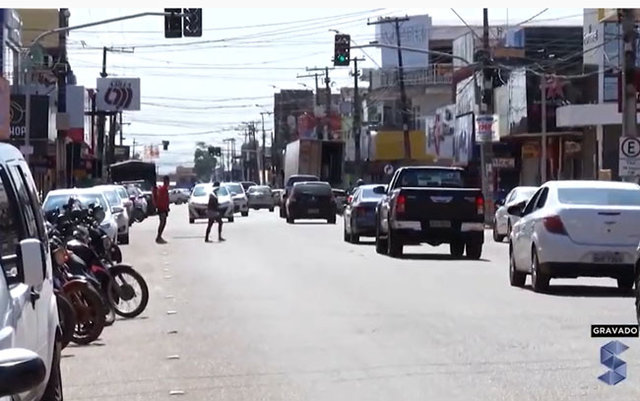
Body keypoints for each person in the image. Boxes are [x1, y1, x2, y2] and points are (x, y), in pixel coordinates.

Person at [153, 176, 171, 244]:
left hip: (164, 208)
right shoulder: (163, 189)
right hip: (162, 208)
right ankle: (158, 237)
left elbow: (166, 199)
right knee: (162, 222)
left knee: (163, 222)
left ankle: (159, 236)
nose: (168, 183)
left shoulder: (165, 189)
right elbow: (161, 199)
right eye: (167, 181)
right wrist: (161, 207)